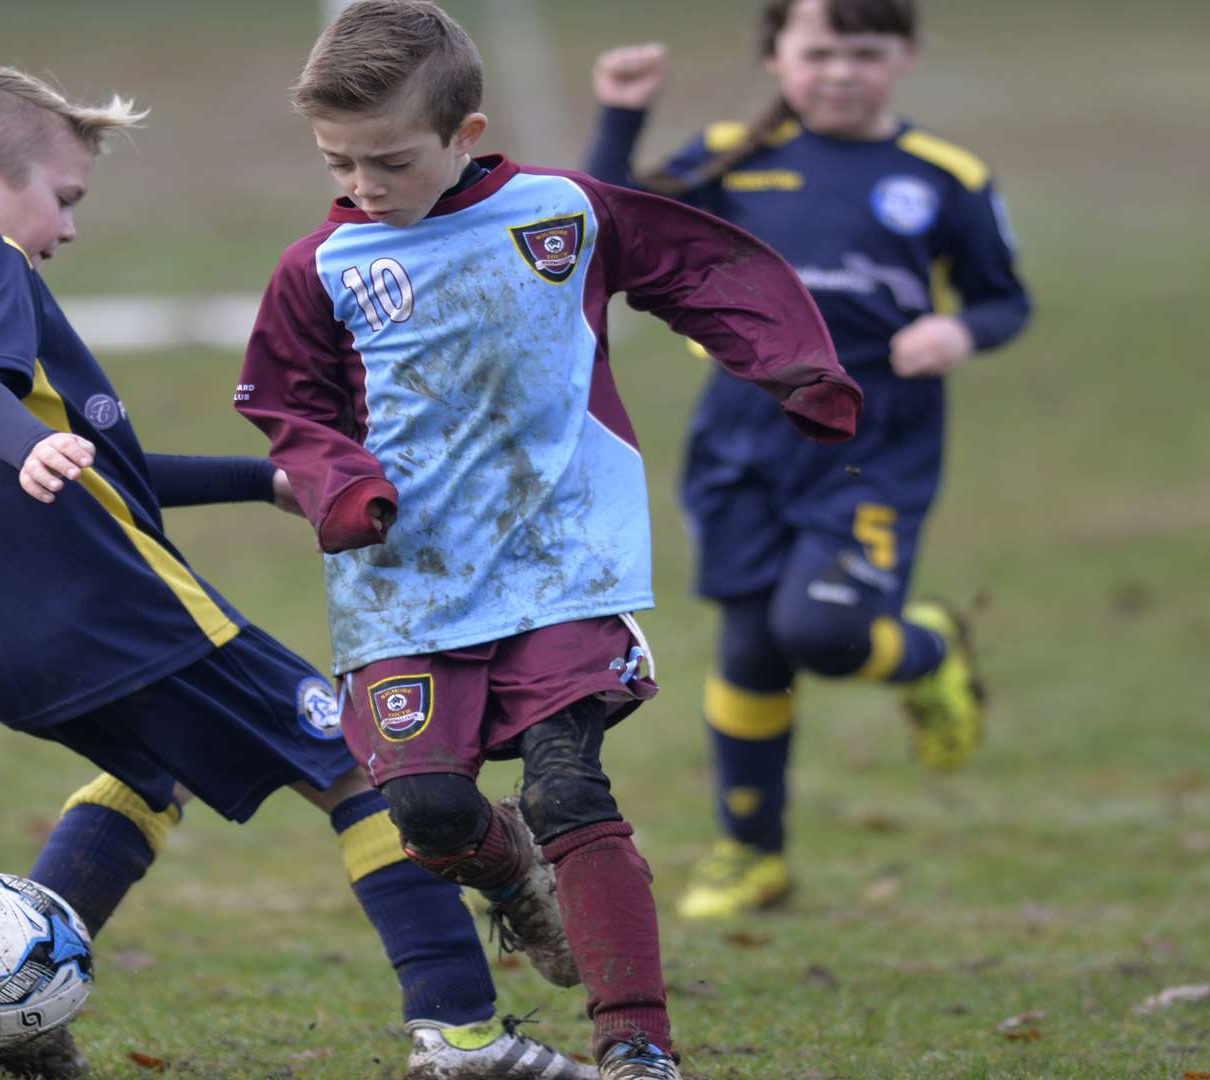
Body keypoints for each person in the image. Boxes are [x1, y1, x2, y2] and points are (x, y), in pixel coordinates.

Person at [0, 62, 594, 1080]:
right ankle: (463, 1037)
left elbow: (95, 463)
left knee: (147, 778)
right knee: (362, 764)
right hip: (114, 612)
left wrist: (262, 481)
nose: (65, 230)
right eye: (61, 200)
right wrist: (22, 439)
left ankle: (12, 1015)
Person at [236, 3, 862, 1076]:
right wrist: (341, 483)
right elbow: (290, 406)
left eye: (388, 162)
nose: (362, 187)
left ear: (466, 134)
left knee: (572, 786)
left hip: (561, 562)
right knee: (429, 812)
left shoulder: (559, 217)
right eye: (338, 163)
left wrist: (795, 366)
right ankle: (512, 875)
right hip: (407, 586)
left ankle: (637, 1045)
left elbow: (703, 267)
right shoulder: (321, 267)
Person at [584, 0, 1030, 920]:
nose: (839, 72)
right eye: (818, 52)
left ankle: (930, 650)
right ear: (778, 56)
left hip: (874, 441)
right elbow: (597, 222)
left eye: (864, 53)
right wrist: (621, 114)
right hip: (743, 437)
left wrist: (957, 329)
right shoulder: (729, 154)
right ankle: (752, 853)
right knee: (750, 642)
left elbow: (1002, 300)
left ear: (903, 57)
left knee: (820, 634)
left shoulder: (942, 176)